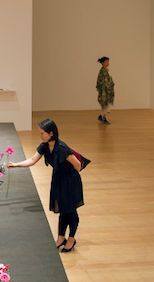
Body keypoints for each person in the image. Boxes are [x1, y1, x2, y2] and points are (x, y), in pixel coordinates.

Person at [8, 118, 87, 252]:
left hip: (70, 182)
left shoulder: (62, 148)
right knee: (62, 209)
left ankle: (72, 239)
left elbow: (78, 166)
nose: (41, 135)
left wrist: (68, 177)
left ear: (51, 133)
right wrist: (16, 165)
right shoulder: (44, 146)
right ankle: (61, 237)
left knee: (71, 211)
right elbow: (32, 160)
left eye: (42, 133)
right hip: (58, 180)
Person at [96, 56, 114, 124]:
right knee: (105, 105)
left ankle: (102, 117)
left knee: (106, 105)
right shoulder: (103, 71)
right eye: (107, 61)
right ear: (103, 63)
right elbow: (103, 82)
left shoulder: (105, 70)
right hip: (104, 91)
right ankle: (102, 117)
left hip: (106, 91)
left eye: (108, 61)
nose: (108, 63)